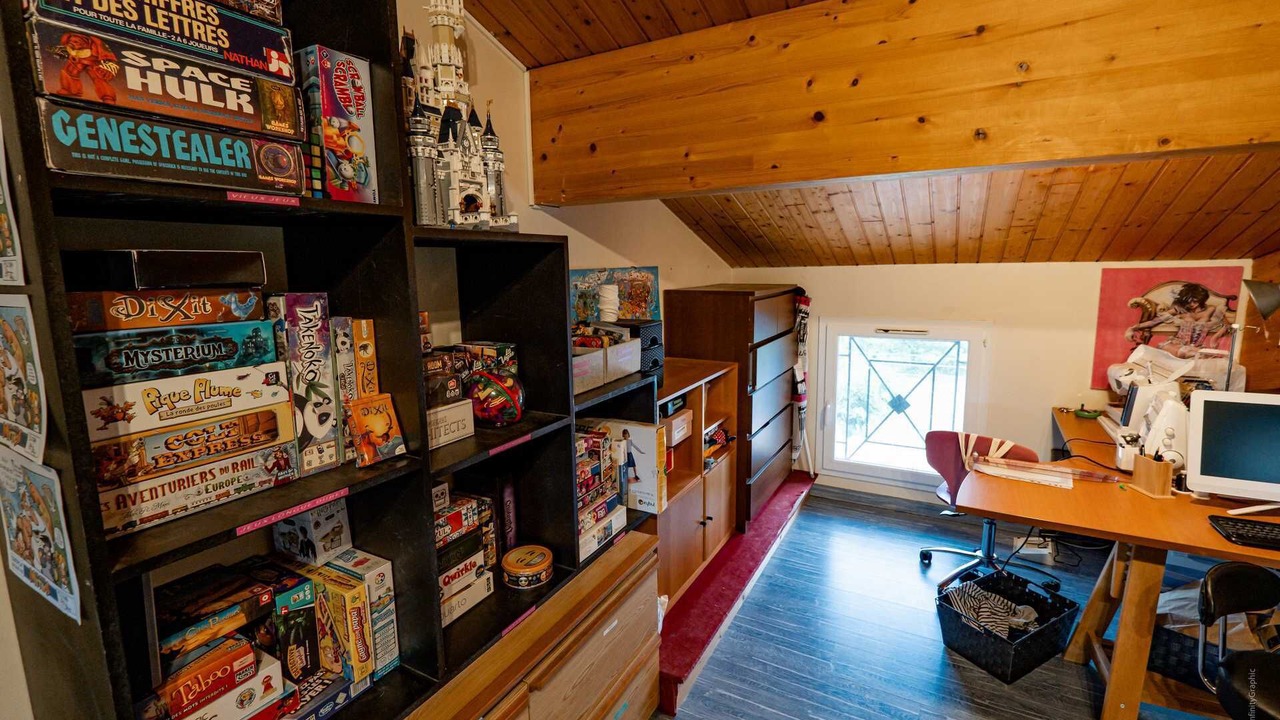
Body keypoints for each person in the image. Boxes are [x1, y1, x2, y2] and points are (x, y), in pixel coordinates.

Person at [1126, 282, 1230, 358]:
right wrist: (1132, 328)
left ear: (1201, 299)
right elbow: (1154, 322)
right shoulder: (1180, 310)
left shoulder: (1211, 309)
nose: (1191, 304)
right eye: (1188, 301)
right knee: (1177, 352)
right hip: (1176, 344)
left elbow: (1226, 325)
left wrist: (1214, 338)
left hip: (1195, 346)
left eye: (1195, 301)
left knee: (1192, 354)